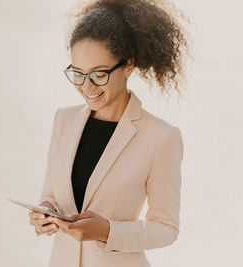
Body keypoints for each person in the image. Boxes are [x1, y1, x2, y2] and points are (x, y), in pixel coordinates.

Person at [28, 0, 190, 266]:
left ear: (128, 66)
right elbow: (51, 195)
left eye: (99, 74)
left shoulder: (161, 137)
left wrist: (107, 231)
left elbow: (166, 228)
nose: (86, 86)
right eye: (77, 74)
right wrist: (44, 215)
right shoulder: (64, 120)